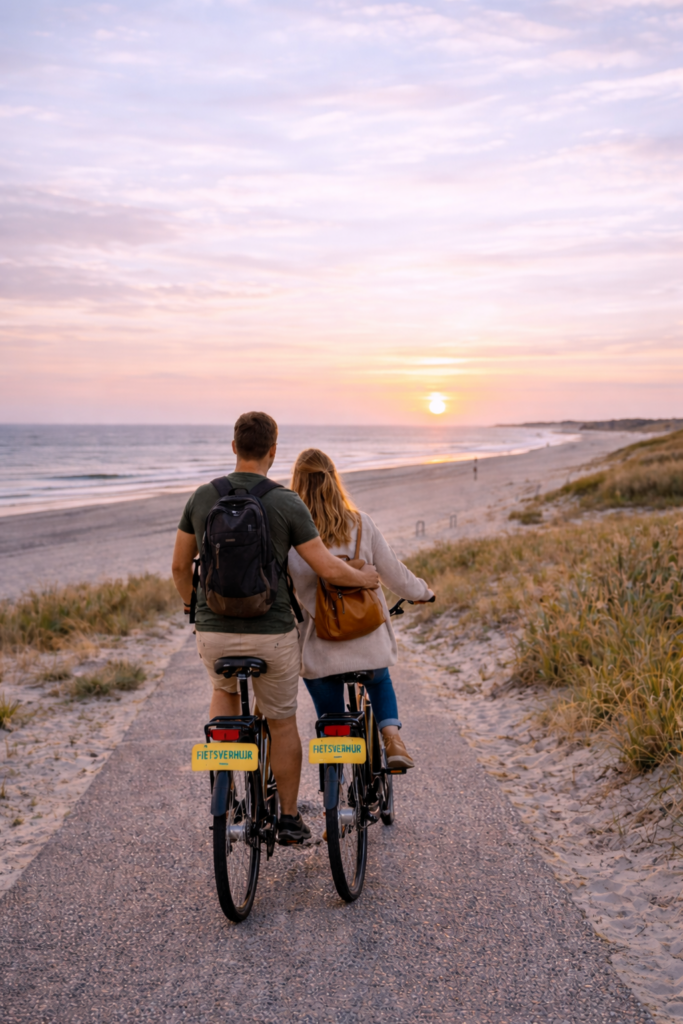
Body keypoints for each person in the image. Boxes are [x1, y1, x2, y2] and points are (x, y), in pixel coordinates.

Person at [171, 413, 379, 844]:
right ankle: (288, 818)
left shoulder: (202, 497)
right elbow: (326, 567)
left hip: (214, 632)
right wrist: (363, 578)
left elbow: (178, 567)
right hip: (272, 633)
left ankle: (227, 783)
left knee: (224, 691)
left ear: (234, 446)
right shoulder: (286, 502)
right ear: (273, 451)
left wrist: (194, 606)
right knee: (282, 722)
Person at [288, 448, 434, 770]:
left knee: (332, 722)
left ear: (297, 483)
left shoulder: (291, 533)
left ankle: (335, 778)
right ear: (333, 479)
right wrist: (423, 592)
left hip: (320, 649)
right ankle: (392, 739)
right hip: (368, 645)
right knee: (379, 680)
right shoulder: (361, 524)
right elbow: (395, 575)